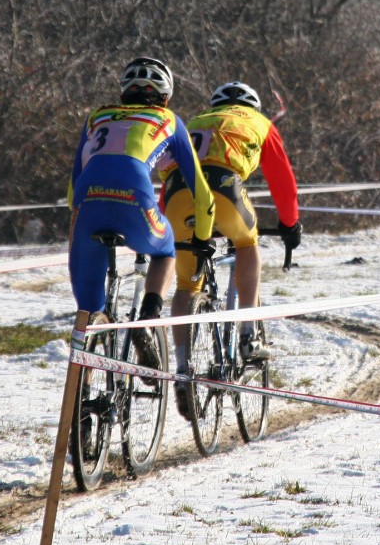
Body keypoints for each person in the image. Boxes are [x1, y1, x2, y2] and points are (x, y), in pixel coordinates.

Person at [161, 81, 302, 417]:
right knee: (247, 243)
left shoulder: (195, 121)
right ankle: (249, 333)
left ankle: (182, 367)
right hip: (225, 191)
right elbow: (282, 181)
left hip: (177, 197)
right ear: (252, 105)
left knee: (186, 285)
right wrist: (290, 224)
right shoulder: (260, 122)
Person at [67, 57, 215, 373]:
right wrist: (202, 237)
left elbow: (71, 191)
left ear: (123, 93)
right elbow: (201, 193)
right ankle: (148, 316)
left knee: (87, 314)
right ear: (165, 96)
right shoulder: (169, 119)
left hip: (87, 202)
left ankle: (83, 390)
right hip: (135, 197)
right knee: (165, 250)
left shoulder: (97, 116)